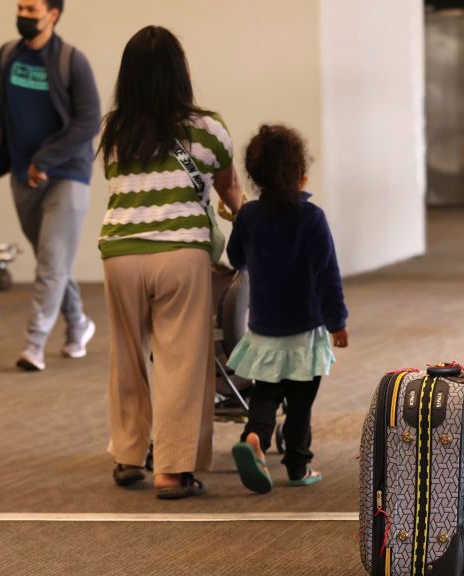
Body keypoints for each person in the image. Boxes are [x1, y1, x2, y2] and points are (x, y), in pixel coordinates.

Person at [97, 26, 245, 500]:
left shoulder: (113, 129)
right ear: (181, 74)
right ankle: (174, 470)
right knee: (182, 360)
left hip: (120, 252)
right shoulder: (207, 128)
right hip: (181, 254)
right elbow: (232, 193)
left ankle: (126, 454)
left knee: (127, 355)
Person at [0, 0, 100, 372]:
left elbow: (89, 123)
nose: (23, 15)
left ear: (53, 15)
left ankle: (34, 345)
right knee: (51, 260)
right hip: (22, 174)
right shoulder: (9, 54)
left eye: (32, 9)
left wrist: (45, 160)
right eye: (20, 8)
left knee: (51, 262)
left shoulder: (72, 61)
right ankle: (78, 324)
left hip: (66, 176)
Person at [225, 125, 349, 494]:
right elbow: (327, 274)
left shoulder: (248, 216)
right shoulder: (311, 218)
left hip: (264, 326)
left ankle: (253, 438)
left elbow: (235, 258)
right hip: (304, 328)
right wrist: (337, 322)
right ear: (300, 174)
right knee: (299, 401)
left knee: (265, 393)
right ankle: (298, 465)